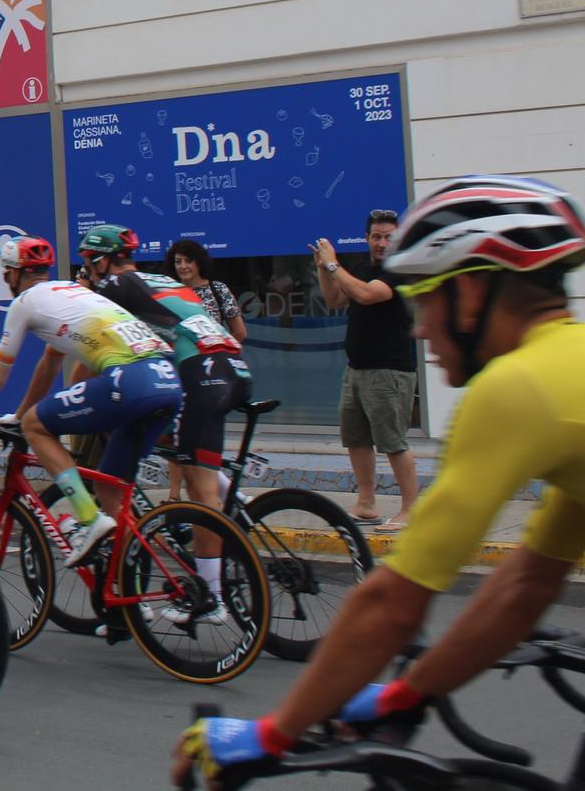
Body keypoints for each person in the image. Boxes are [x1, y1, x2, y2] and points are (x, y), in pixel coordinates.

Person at [174, 175, 585, 788]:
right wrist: (404, 695)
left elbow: (393, 603)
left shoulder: (515, 387)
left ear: (470, 294)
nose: (419, 330)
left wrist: (270, 734)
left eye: (426, 303)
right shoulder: (566, 363)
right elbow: (528, 581)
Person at [0, 234, 182, 569]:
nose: (7, 279)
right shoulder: (74, 292)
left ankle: (86, 518)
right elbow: (50, 362)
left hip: (131, 380)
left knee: (35, 427)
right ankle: (130, 605)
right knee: (110, 492)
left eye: (6, 272)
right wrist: (19, 412)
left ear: (12, 273)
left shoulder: (25, 302)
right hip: (168, 379)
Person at [76, 223, 252, 622]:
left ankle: (211, 597)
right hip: (230, 366)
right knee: (177, 440)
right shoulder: (157, 279)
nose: (86, 271)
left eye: (88, 263)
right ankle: (232, 493)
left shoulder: (116, 287)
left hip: (202, 374)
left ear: (101, 260)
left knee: (197, 487)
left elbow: (90, 351)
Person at [316, 208, 420, 529]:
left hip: (389, 371)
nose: (382, 243)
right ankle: (366, 504)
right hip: (357, 369)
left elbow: (366, 294)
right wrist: (323, 267)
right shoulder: (363, 267)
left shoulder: (400, 270)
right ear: (367, 239)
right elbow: (334, 299)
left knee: (393, 442)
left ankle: (411, 510)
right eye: (376, 237)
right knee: (356, 438)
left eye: (389, 236)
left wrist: (334, 264)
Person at [169, 238, 249, 341]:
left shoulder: (219, 289)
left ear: (199, 262)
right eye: (178, 262)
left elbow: (240, 332)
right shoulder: (169, 291)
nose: (183, 266)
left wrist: (219, 350)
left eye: (188, 261)